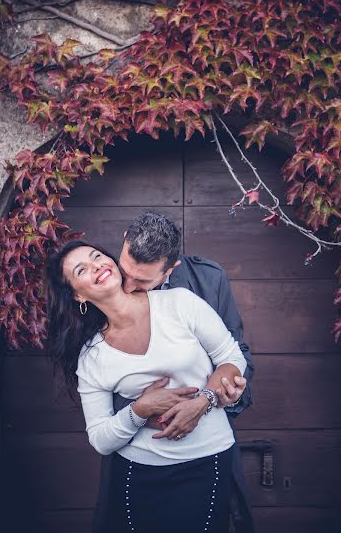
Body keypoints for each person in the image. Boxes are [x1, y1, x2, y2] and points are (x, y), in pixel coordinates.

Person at [46, 239, 248, 533]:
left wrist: (204, 401)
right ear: (78, 295)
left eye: (97, 256)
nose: (97, 266)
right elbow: (100, 438)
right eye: (82, 270)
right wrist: (139, 410)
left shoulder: (179, 302)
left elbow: (231, 357)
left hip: (209, 460)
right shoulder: (92, 356)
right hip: (138, 473)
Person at [99, 211, 255, 533]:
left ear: (171, 269)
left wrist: (207, 400)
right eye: (125, 270)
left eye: (142, 281)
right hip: (133, 455)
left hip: (204, 456)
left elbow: (239, 359)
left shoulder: (209, 281)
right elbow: (92, 370)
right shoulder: (102, 276)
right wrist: (138, 408)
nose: (126, 286)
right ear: (124, 240)